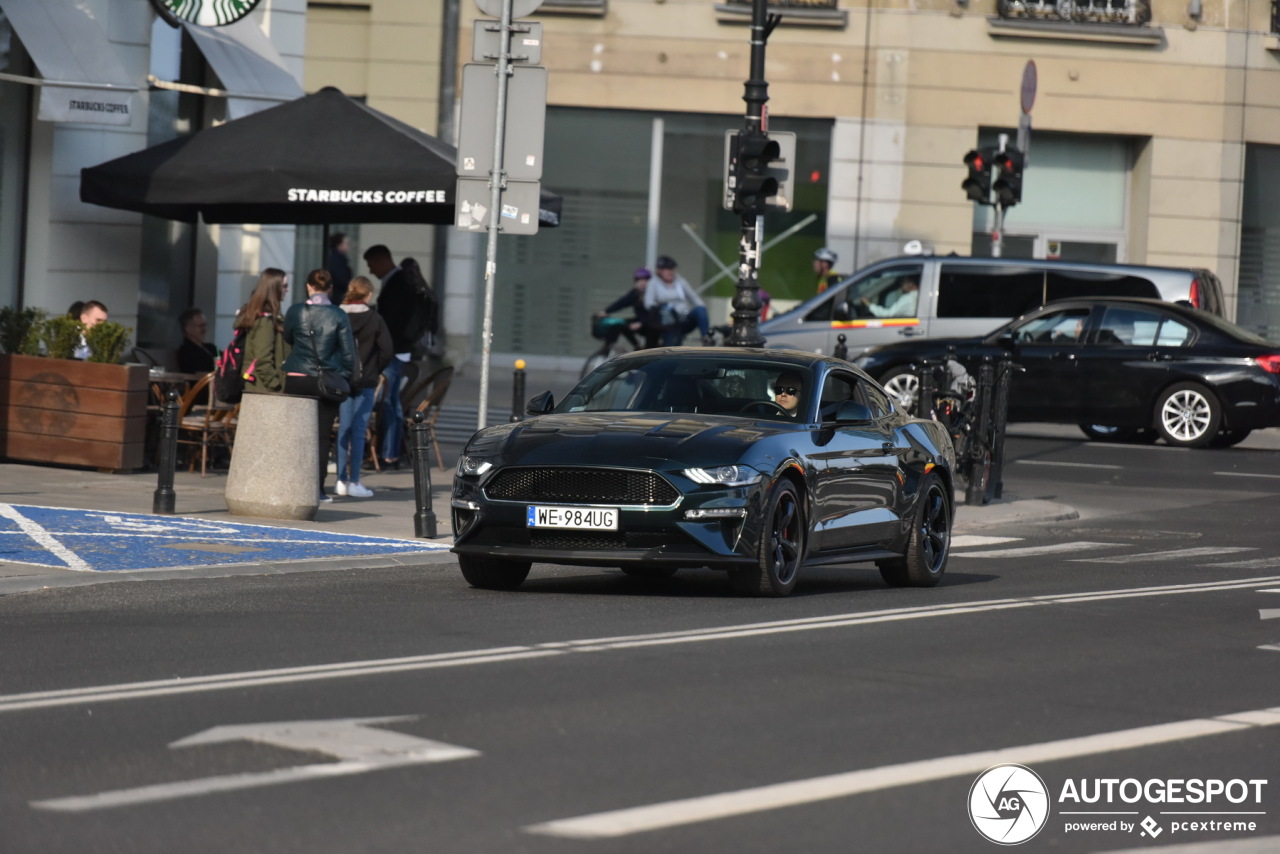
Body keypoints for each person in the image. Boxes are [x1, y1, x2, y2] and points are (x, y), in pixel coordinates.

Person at [282, 268, 358, 503]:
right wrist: (342, 376)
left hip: (296, 377)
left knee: (293, 434)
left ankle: (290, 485)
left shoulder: (295, 311)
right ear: (331, 288)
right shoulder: (338, 315)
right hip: (326, 380)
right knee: (322, 436)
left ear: (308, 286)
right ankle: (317, 489)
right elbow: (348, 353)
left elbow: (288, 338)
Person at [335, 276, 393, 499]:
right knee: (359, 431)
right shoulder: (374, 318)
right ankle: (354, 481)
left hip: (342, 380)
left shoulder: (338, 315)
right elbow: (387, 350)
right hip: (366, 380)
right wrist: (374, 369)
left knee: (343, 428)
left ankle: (340, 480)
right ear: (368, 295)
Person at [364, 244, 415, 468]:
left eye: (371, 264)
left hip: (394, 351)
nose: (370, 271)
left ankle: (388, 454)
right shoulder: (398, 281)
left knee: (389, 403)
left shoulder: (397, 283)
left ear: (383, 260)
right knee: (390, 402)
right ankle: (389, 453)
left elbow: (391, 322)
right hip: (398, 350)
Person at [236, 268, 291, 395]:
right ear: (274, 288)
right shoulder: (265, 320)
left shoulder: (269, 316)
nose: (287, 290)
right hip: (263, 390)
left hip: (261, 387)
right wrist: (275, 384)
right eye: (284, 286)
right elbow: (263, 357)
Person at [643, 255, 711, 346]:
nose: (670, 272)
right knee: (673, 342)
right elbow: (648, 302)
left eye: (672, 269)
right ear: (660, 271)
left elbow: (694, 297)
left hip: (684, 318)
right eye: (667, 269)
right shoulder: (653, 283)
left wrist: (701, 306)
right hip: (667, 322)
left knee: (700, 310)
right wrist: (663, 308)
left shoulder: (680, 281)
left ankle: (706, 337)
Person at [595, 267, 659, 350]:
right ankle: (635, 346)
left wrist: (642, 323)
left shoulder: (654, 293)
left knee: (649, 350)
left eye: (645, 280)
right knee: (620, 325)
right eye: (640, 280)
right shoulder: (635, 293)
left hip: (653, 325)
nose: (642, 283)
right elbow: (622, 302)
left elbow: (656, 313)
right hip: (640, 322)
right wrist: (606, 311)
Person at [176, 308, 218, 374]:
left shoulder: (211, 348)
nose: (204, 329)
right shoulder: (186, 353)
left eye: (205, 325)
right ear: (188, 329)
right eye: (200, 326)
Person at [327, 232, 354, 307]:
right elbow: (341, 279)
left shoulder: (339, 259)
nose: (349, 247)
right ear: (339, 245)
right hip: (337, 298)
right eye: (347, 244)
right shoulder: (336, 260)